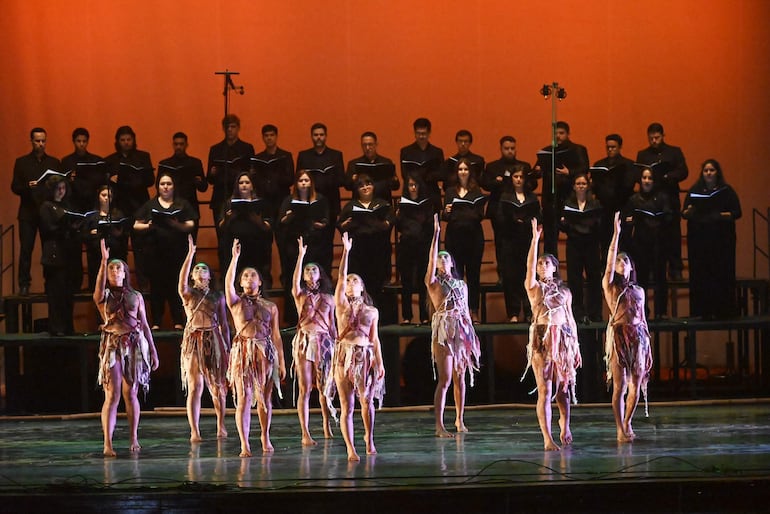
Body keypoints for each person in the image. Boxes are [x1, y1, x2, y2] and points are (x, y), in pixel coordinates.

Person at [93, 239, 159, 457]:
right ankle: (107, 442)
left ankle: (133, 436)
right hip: (113, 345)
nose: (114, 270)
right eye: (111, 268)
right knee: (112, 395)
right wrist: (103, 261)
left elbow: (146, 325)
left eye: (117, 267)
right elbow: (97, 291)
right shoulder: (104, 297)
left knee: (131, 393)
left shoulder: (136, 296)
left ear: (125, 272)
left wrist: (153, 351)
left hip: (134, 345)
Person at [523, 218, 581, 451]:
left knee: (563, 389)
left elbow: (571, 319)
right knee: (545, 390)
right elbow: (528, 270)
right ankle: (547, 437)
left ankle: (564, 424)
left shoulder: (565, 292)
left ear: (555, 267)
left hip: (564, 339)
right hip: (542, 337)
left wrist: (576, 347)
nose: (542, 266)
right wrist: (535, 240)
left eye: (547, 263)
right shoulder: (534, 288)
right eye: (540, 263)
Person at [225, 239, 286, 456]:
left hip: (266, 352)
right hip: (243, 351)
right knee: (244, 397)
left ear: (260, 282)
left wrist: (282, 361)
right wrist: (234, 259)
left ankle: (264, 435)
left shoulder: (271, 306)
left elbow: (276, 335)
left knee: (265, 398)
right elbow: (228, 283)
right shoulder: (235, 302)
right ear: (241, 283)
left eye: (253, 275)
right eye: (245, 276)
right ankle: (244, 444)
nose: (249, 279)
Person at [425, 214, 481, 437]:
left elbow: (466, 310)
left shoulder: (461, 284)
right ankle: (440, 425)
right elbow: (430, 264)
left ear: (452, 263)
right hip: (444, 330)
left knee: (460, 377)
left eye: (445, 257)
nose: (441, 260)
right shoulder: (433, 283)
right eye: (439, 258)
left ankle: (459, 419)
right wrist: (436, 235)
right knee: (446, 378)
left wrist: (471, 336)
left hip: (461, 328)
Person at [333, 232, 385, 460]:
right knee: (347, 404)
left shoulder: (372, 311)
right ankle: (350, 448)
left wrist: (380, 363)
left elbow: (375, 339)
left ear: (362, 288)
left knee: (366, 400)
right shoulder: (341, 305)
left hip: (364, 355)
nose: (351, 283)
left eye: (356, 281)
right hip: (344, 356)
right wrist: (346, 252)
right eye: (349, 281)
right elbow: (341, 275)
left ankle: (368, 437)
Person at [602, 212, 653, 443]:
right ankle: (619, 428)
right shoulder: (611, 286)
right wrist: (616, 233)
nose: (622, 264)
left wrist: (647, 344)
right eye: (619, 262)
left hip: (638, 336)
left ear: (632, 267)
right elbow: (611, 258)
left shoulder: (639, 291)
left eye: (626, 261)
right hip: (619, 334)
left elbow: (642, 318)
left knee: (637, 381)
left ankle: (628, 422)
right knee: (619, 386)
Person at [178, 235, 230, 442]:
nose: (200, 271)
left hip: (214, 338)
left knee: (218, 385)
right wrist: (190, 255)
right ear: (192, 275)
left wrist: (226, 346)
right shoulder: (188, 294)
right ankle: (195, 430)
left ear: (210, 276)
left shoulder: (218, 296)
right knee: (195, 385)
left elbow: (225, 323)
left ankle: (221, 424)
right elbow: (181, 284)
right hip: (194, 339)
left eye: (204, 269)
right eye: (196, 269)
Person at [133, 173, 198, 329]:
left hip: (177, 254)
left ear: (173, 186)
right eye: (162, 184)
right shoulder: (150, 205)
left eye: (169, 183)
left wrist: (176, 225)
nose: (166, 187)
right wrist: (149, 226)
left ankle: (178, 321)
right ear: (158, 187)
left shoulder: (182, 204)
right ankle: (156, 322)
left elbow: (191, 224)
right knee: (157, 289)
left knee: (177, 287)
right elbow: (136, 225)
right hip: (156, 254)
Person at [291, 236, 337, 446]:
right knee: (305, 388)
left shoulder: (329, 298)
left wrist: (337, 347)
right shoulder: (300, 295)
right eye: (307, 270)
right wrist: (301, 256)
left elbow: (333, 325)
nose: (310, 272)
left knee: (325, 386)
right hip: (304, 341)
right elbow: (294, 283)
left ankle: (327, 425)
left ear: (321, 274)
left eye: (313, 270)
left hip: (325, 341)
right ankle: (305, 432)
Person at [682, 159, 742, 319]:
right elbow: (684, 213)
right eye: (706, 170)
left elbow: (737, 212)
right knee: (701, 274)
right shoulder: (695, 190)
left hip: (721, 240)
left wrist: (718, 215)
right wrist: (691, 211)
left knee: (721, 273)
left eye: (712, 170)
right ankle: (702, 311)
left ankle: (724, 310)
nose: (708, 173)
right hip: (700, 240)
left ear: (717, 173)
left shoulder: (726, 190)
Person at [11, 127, 61, 295]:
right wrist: (27, 186)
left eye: (43, 141)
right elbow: (14, 187)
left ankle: (51, 283)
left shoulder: (53, 162)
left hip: (47, 213)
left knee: (49, 250)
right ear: (31, 141)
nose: (41, 144)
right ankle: (24, 284)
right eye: (37, 141)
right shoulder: (22, 162)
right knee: (26, 249)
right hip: (28, 212)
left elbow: (59, 186)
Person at [635, 122, 688, 281]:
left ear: (663, 136)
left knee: (673, 235)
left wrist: (667, 176)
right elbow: (639, 173)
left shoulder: (674, 152)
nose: (654, 141)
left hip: (669, 197)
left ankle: (675, 269)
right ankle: (651, 270)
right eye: (651, 138)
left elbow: (683, 171)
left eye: (657, 138)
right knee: (650, 235)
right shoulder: (643, 154)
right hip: (650, 200)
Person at [278, 170, 330, 324]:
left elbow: (326, 220)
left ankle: (318, 315)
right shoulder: (289, 200)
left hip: (315, 244)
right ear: (296, 184)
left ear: (311, 183)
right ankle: (294, 317)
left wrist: (319, 223)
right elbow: (281, 221)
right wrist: (289, 216)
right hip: (295, 244)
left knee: (315, 276)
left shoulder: (320, 200)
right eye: (301, 181)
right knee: (295, 279)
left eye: (306, 180)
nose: (304, 183)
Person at [105, 126, 154, 287]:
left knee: (141, 249)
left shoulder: (143, 156)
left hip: (139, 207)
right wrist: (115, 178)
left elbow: (150, 180)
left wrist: (134, 178)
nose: (126, 143)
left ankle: (143, 284)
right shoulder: (111, 160)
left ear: (133, 140)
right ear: (117, 142)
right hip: (119, 208)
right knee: (119, 248)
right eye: (123, 140)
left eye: (129, 139)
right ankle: (120, 284)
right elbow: (105, 182)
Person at [337, 174, 395, 311]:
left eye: (368, 184)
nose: (365, 188)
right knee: (359, 285)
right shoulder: (351, 206)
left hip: (378, 250)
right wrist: (343, 224)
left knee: (378, 284)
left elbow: (391, 220)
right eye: (361, 185)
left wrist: (385, 223)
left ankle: (377, 317)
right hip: (359, 251)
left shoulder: (382, 203)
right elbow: (340, 225)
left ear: (373, 186)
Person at [482, 135, 536, 283]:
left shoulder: (524, 166)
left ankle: (523, 274)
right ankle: (503, 275)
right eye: (507, 148)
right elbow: (485, 184)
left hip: (521, 210)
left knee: (522, 244)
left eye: (512, 148)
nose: (510, 151)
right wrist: (497, 181)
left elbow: (532, 185)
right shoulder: (493, 167)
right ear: (501, 149)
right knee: (501, 244)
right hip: (500, 212)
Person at [207, 114, 255, 270]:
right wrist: (213, 173)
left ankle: (244, 271)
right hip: (221, 196)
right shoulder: (216, 149)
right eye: (227, 127)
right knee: (223, 238)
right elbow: (210, 179)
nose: (230, 130)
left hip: (241, 196)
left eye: (233, 127)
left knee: (244, 235)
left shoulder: (247, 148)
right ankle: (224, 272)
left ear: (238, 128)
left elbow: (251, 174)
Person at [534, 121, 589, 256]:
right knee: (550, 238)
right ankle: (550, 272)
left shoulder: (578, 150)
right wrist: (537, 170)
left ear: (568, 134)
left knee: (576, 236)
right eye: (555, 133)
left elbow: (584, 168)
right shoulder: (547, 151)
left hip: (571, 198)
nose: (558, 136)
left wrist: (569, 172)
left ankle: (576, 273)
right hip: (551, 200)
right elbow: (536, 172)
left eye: (561, 133)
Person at [296, 122, 345, 274]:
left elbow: (341, 179)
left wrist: (323, 179)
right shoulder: (304, 156)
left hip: (330, 205)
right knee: (309, 243)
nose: (319, 137)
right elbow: (299, 178)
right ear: (312, 136)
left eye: (321, 135)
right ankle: (309, 277)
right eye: (316, 135)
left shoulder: (336, 155)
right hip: (309, 206)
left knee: (327, 244)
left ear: (326, 136)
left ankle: (327, 277)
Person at [622, 168, 671, 319]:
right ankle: (642, 311)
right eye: (644, 178)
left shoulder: (662, 197)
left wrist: (661, 217)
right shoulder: (634, 199)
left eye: (650, 178)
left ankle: (661, 312)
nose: (647, 181)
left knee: (660, 277)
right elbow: (626, 219)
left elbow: (669, 216)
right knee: (641, 279)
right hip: (640, 243)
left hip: (658, 242)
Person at [442, 158, 487, 322]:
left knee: (474, 276)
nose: (463, 172)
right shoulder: (450, 192)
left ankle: (473, 310)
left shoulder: (476, 191)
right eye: (460, 169)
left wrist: (462, 212)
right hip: (455, 237)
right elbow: (445, 216)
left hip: (473, 238)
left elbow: (480, 215)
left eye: (466, 169)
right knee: (456, 275)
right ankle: (458, 309)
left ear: (470, 172)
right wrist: (447, 211)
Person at [251, 124, 295, 285]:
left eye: (271, 135)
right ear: (263, 138)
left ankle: (286, 278)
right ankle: (265, 279)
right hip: (265, 203)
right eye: (266, 135)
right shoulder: (258, 158)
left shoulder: (285, 156)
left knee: (284, 242)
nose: (269, 138)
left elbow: (290, 178)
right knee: (264, 243)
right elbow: (254, 181)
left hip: (282, 202)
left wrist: (272, 177)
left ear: (276, 136)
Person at [496, 166, 541, 323]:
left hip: (527, 241)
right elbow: (500, 219)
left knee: (529, 276)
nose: (518, 179)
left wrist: (526, 221)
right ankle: (513, 313)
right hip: (510, 240)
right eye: (515, 176)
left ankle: (529, 312)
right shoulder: (505, 197)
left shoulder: (532, 197)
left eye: (521, 177)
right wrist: (514, 220)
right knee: (511, 277)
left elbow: (538, 217)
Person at [39, 176, 82, 335]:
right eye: (57, 188)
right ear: (51, 189)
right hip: (54, 257)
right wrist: (67, 227)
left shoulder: (67, 205)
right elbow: (49, 228)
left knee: (67, 296)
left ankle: (68, 327)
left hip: (68, 256)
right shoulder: (46, 206)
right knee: (56, 295)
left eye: (63, 188)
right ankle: (57, 329)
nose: (60, 191)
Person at [559, 172, 604, 323]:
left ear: (588, 186)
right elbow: (562, 226)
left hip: (591, 243)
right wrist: (565, 222)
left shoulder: (594, 203)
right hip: (574, 243)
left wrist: (591, 222)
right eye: (578, 184)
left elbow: (599, 223)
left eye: (583, 184)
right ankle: (577, 312)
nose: (581, 186)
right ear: (573, 186)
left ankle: (595, 312)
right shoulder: (568, 203)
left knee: (594, 278)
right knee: (574, 279)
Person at [219, 171, 274, 289]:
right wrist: (229, 217)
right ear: (237, 186)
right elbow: (221, 226)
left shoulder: (261, 203)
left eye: (247, 182)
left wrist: (257, 220)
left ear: (252, 185)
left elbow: (268, 227)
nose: (244, 185)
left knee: (255, 273)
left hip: (256, 245)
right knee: (236, 274)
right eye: (241, 182)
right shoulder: (229, 203)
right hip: (235, 244)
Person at [395, 173, 433, 325]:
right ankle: (407, 316)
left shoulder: (427, 204)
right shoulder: (403, 205)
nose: (413, 188)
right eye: (410, 185)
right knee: (407, 282)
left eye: (415, 185)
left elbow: (430, 224)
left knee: (423, 281)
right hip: (406, 246)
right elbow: (398, 226)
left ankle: (424, 316)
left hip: (422, 246)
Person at [590, 134, 636, 259]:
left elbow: (629, 185)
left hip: (622, 207)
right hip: (604, 210)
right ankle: (605, 271)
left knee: (624, 241)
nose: (610, 150)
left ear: (620, 147)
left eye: (613, 147)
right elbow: (595, 187)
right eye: (608, 147)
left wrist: (615, 178)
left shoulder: (628, 164)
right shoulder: (599, 164)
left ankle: (625, 273)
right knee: (605, 243)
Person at [158, 132, 208, 235]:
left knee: (191, 243)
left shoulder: (195, 163)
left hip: (190, 207)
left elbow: (203, 187)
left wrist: (198, 182)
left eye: (181, 144)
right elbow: (157, 186)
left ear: (186, 145)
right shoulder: (165, 164)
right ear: (173, 145)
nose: (178, 147)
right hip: (171, 207)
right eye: (176, 144)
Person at [84, 185, 129, 291]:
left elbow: (124, 234)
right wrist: (92, 233)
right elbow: (84, 235)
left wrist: (118, 233)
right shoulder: (92, 216)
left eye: (109, 196)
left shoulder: (118, 214)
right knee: (98, 287)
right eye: (103, 195)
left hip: (115, 254)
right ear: (98, 196)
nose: (106, 198)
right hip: (96, 257)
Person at [400, 118, 445, 212]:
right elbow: (404, 174)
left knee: (434, 224)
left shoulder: (437, 152)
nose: (421, 136)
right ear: (414, 133)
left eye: (424, 133)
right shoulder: (406, 152)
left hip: (431, 194)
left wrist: (424, 175)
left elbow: (442, 174)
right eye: (418, 133)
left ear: (429, 133)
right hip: (412, 194)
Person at [61, 127, 108, 212]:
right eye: (78, 141)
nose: (81, 144)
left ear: (87, 141)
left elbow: (101, 181)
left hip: (92, 201)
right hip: (73, 201)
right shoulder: (66, 161)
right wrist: (70, 178)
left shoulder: (96, 160)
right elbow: (63, 182)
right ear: (73, 141)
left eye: (84, 141)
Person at [345, 131, 399, 203]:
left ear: (376, 144)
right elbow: (347, 186)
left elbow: (396, 187)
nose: (367, 148)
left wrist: (393, 179)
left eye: (370, 144)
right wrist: (353, 179)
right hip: (361, 204)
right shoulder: (353, 164)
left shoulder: (386, 162)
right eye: (364, 145)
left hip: (383, 203)